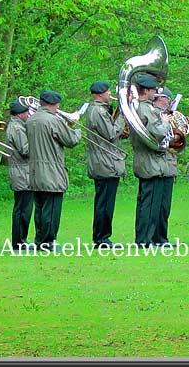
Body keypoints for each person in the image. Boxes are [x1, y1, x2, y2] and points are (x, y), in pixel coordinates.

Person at [26, 90, 82, 251]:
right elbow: (70, 140)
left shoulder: (31, 119)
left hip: (35, 170)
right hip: (51, 170)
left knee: (40, 208)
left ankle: (39, 240)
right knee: (52, 209)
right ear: (53, 104)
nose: (58, 108)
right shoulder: (53, 120)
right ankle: (48, 242)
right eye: (57, 105)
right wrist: (76, 130)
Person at [128, 74, 171, 247]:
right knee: (150, 204)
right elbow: (158, 132)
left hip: (146, 160)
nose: (155, 92)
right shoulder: (147, 109)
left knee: (146, 202)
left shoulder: (140, 108)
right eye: (153, 89)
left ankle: (145, 238)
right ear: (145, 91)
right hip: (151, 162)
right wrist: (166, 122)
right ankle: (145, 240)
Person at [84, 80, 127, 249]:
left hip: (105, 161)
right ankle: (102, 238)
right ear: (101, 94)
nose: (110, 94)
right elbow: (110, 134)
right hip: (105, 163)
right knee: (105, 203)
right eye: (108, 92)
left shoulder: (99, 110)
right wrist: (123, 116)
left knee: (105, 202)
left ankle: (102, 237)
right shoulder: (98, 111)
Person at [5, 99, 34, 249]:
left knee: (24, 208)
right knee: (23, 209)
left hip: (23, 171)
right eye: (26, 112)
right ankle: (19, 241)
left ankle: (20, 240)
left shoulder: (18, 126)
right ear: (19, 114)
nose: (28, 114)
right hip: (22, 171)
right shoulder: (17, 128)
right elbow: (25, 149)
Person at [153, 86, 177, 246]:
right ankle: (156, 237)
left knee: (165, 206)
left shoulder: (165, 115)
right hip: (160, 163)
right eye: (167, 99)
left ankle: (162, 237)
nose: (168, 102)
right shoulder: (156, 114)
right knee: (158, 205)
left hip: (168, 163)